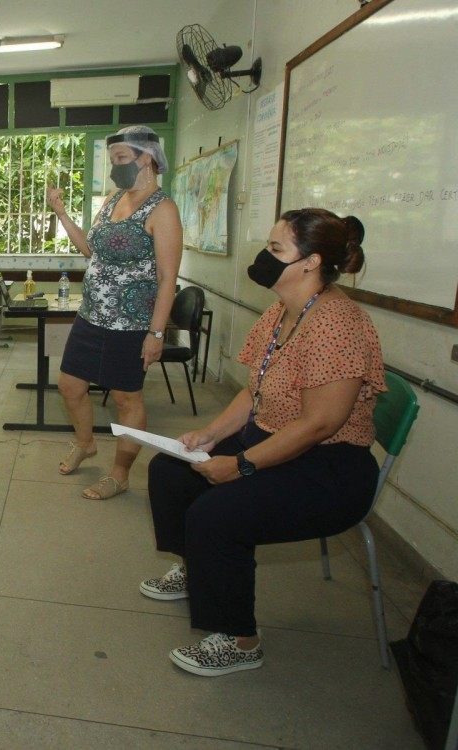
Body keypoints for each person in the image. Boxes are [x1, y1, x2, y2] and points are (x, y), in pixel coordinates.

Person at [142, 208, 384, 676]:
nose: (264, 258)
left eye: (276, 250)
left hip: (328, 467)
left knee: (218, 514)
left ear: (311, 262)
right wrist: (210, 435)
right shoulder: (282, 311)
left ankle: (240, 640)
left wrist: (242, 465)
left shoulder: (337, 325)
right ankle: (198, 569)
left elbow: (319, 425)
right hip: (273, 440)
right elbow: (254, 389)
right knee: (170, 469)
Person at [45, 125, 183, 500]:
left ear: (148, 158)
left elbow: (168, 278)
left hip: (132, 323)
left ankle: (120, 473)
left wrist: (156, 334)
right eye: (113, 160)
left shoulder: (163, 209)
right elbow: (91, 250)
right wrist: (60, 212)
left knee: (127, 400)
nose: (115, 167)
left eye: (121, 159)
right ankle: (86, 442)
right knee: (70, 386)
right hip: (91, 315)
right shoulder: (112, 199)